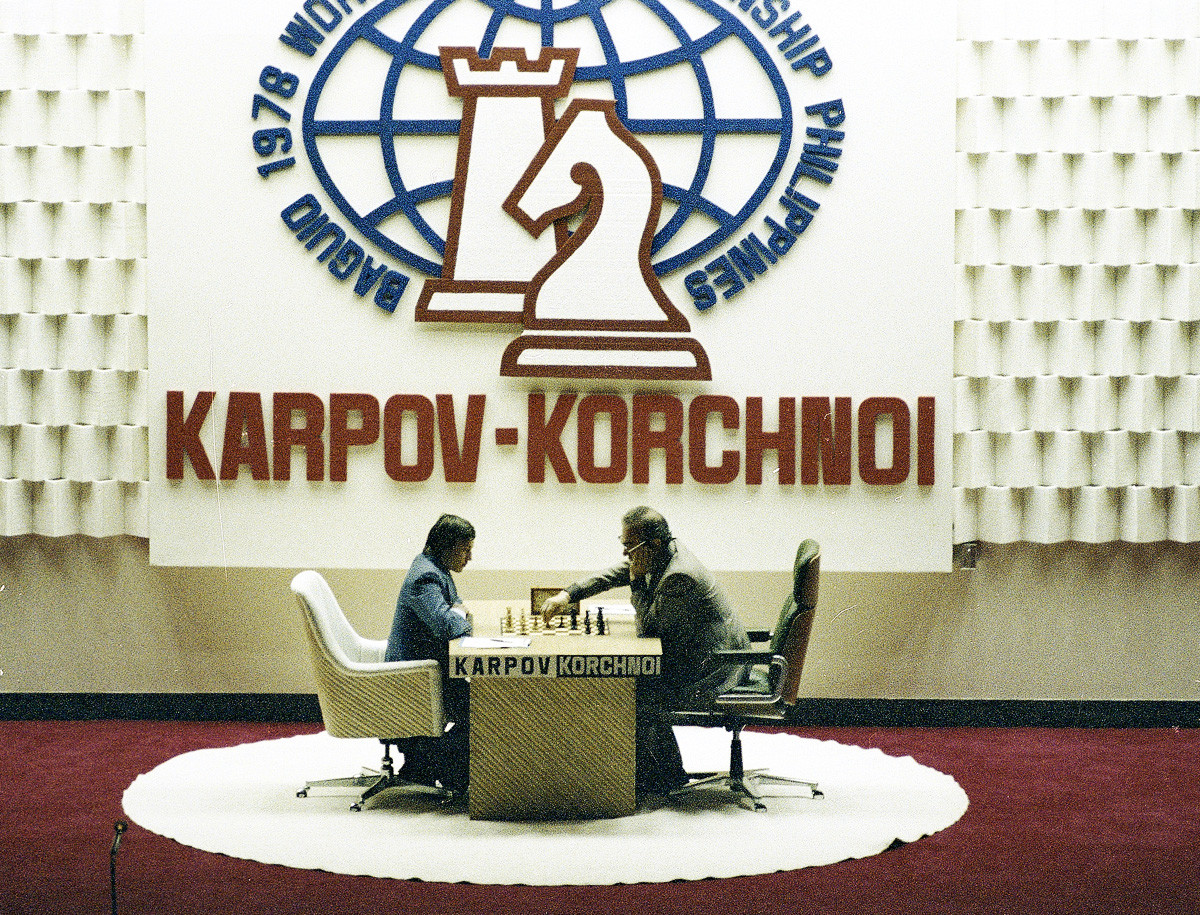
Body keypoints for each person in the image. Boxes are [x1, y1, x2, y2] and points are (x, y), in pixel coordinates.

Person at [541, 506, 750, 795]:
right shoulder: (666, 551)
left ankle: (658, 778)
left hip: (717, 670)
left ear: (652, 543)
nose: (626, 554)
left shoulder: (679, 576)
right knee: (633, 687)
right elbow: (617, 573)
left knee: (627, 692)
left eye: (630, 547)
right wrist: (569, 594)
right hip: (709, 656)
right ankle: (665, 771)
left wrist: (637, 582)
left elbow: (648, 631)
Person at [385, 513, 475, 790]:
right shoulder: (426, 576)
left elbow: (456, 611)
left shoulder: (435, 568)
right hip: (415, 675)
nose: (469, 558)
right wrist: (461, 620)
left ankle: (425, 763)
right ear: (446, 547)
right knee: (485, 707)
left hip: (430, 667)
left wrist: (458, 617)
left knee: (484, 703)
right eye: (465, 550)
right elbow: (448, 623)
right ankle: (438, 763)